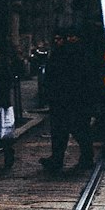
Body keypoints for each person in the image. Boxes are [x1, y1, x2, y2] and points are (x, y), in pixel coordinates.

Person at [42, 26, 96, 175]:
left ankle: (69, 159)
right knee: (70, 131)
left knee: (74, 130)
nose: (56, 41)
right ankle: (64, 158)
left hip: (70, 100)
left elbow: (53, 76)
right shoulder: (76, 53)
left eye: (59, 39)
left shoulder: (67, 54)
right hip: (68, 100)